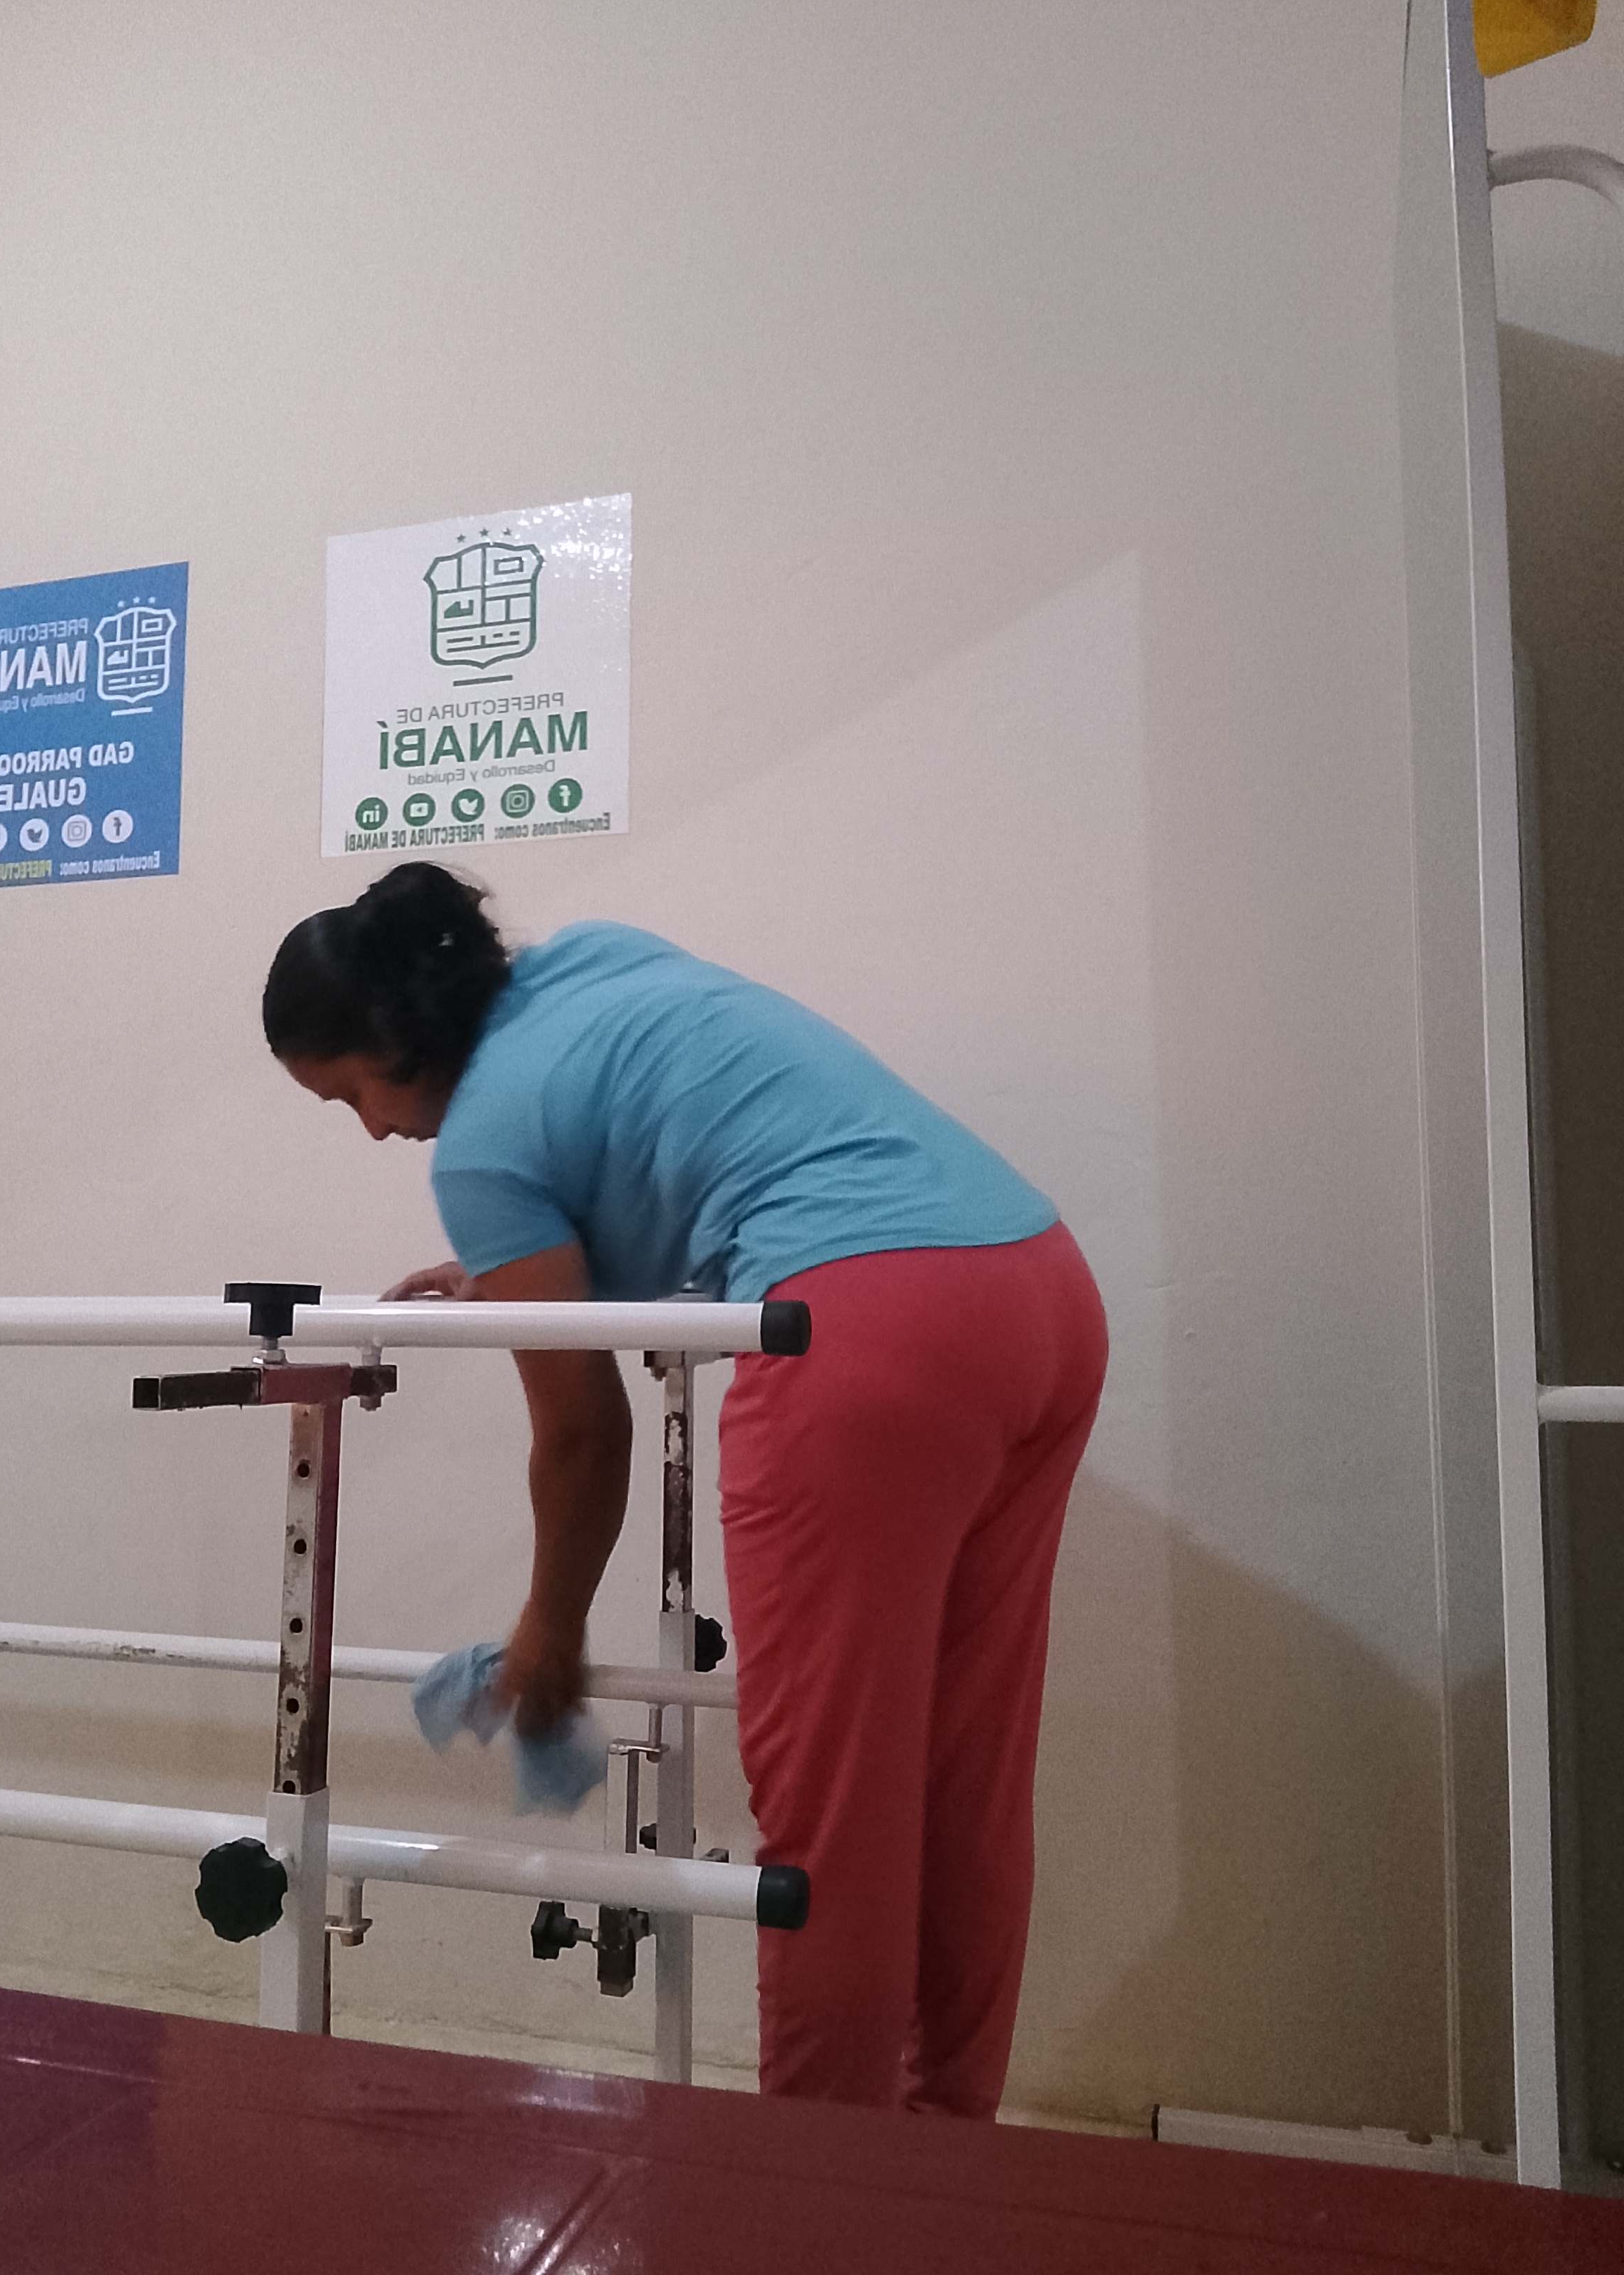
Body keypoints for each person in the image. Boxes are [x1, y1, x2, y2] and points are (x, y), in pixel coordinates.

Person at [263, 862, 1107, 2117]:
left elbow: (584, 1435)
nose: (375, 1131)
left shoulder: (482, 1144)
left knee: (834, 1822)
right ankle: (947, 2155)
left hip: (862, 1341)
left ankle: (816, 2190)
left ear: (396, 1038)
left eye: (352, 1096)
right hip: (1038, 1291)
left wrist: (549, 1629)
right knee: (965, 1778)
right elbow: (677, 1139)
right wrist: (512, 1269)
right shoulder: (591, 961)